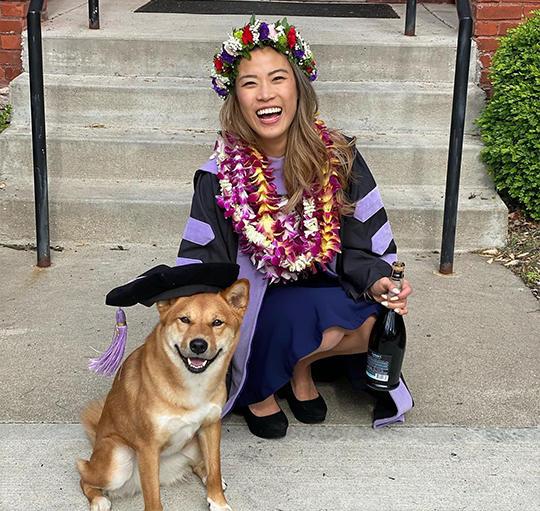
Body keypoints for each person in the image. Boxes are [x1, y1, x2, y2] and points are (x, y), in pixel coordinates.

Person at [176, 16, 413, 439]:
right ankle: (254, 388)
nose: (265, 94)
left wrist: (379, 281)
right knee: (297, 317)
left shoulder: (338, 157)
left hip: (322, 279)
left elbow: (362, 246)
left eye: (277, 78)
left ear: (299, 87)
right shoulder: (219, 175)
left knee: (377, 325)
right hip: (256, 298)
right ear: (235, 98)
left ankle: (299, 366)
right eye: (249, 83)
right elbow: (206, 269)